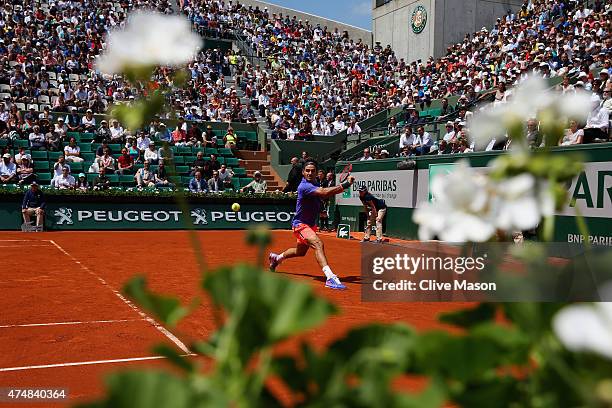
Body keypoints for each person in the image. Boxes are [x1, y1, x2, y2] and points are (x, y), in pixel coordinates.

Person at [269, 160, 355, 290]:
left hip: (310, 225)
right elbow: (324, 193)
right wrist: (346, 184)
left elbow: (318, 197)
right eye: (307, 170)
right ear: (303, 172)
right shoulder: (304, 186)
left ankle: (277, 258)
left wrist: (319, 208)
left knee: (300, 252)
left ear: (317, 173)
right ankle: (330, 277)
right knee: (318, 244)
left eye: (313, 171)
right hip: (300, 225)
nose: (310, 173)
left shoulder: (314, 183)